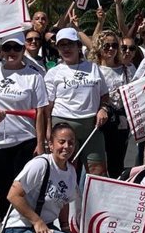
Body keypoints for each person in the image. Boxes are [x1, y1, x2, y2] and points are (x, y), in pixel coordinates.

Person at [0, 123, 80, 233]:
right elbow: (13, 195)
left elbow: (64, 202)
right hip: (19, 231)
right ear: (51, 144)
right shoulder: (41, 164)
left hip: (44, 229)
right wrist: (36, 221)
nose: (66, 147)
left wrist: (65, 227)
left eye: (71, 143)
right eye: (61, 142)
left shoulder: (71, 171)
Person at [0, 34, 51, 214]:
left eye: (16, 48)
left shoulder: (34, 76)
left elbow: (41, 112)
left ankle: (24, 228)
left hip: (24, 141)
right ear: (2, 51)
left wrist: (40, 143)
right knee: (3, 190)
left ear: (23, 50)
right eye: (7, 48)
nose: (12, 52)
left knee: (22, 190)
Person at [45, 27, 111, 175]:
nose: (66, 48)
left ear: (78, 46)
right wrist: (48, 129)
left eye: (70, 44)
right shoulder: (53, 73)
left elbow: (104, 95)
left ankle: (91, 199)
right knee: (65, 170)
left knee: (97, 170)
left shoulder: (93, 68)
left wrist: (103, 109)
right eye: (62, 44)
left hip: (91, 127)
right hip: (62, 124)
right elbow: (47, 106)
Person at [94, 30, 133, 179]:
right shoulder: (93, 69)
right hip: (100, 119)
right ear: (99, 47)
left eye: (114, 45)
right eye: (106, 45)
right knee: (98, 163)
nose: (111, 49)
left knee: (117, 162)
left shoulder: (125, 69)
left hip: (121, 121)